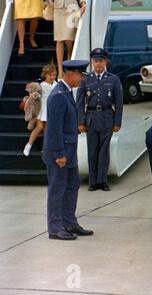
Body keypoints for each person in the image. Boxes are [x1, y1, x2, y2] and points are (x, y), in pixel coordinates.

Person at [43, 60, 93, 240]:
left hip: (69, 150)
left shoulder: (66, 92)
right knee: (57, 189)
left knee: (72, 185)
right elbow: (54, 128)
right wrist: (59, 154)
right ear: (70, 74)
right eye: (81, 75)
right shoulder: (58, 95)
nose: (82, 79)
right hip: (61, 152)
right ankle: (55, 227)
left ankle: (69, 222)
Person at [77, 48, 123, 192]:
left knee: (104, 151)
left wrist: (117, 122)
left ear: (105, 62)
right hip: (91, 118)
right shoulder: (85, 79)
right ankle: (93, 181)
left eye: (100, 61)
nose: (98, 64)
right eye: (95, 61)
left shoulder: (113, 79)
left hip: (107, 117)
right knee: (92, 151)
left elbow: (119, 102)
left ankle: (102, 181)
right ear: (92, 62)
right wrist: (81, 121)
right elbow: (79, 102)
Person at [24, 64, 57, 157]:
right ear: (45, 75)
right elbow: (34, 94)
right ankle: (29, 145)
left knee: (47, 130)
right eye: (50, 75)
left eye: (54, 75)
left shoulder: (57, 84)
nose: (52, 77)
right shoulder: (41, 85)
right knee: (39, 127)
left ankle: (46, 148)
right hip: (42, 109)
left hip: (52, 109)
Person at [53, 0, 87, 79]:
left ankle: (69, 62)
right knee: (59, 39)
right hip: (59, 9)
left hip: (72, 8)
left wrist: (83, 3)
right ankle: (60, 70)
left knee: (69, 38)